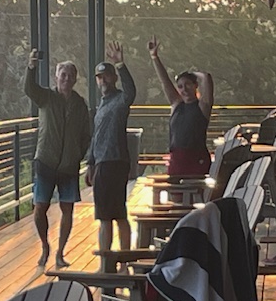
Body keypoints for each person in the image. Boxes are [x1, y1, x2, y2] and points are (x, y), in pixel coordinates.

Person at [25, 48, 91, 267]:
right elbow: (29, 88)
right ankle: (45, 245)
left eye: (71, 76)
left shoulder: (80, 104)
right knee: (40, 208)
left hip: (69, 166)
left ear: (75, 79)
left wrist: (78, 154)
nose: (67, 79)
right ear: (56, 77)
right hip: (46, 160)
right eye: (63, 75)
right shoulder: (46, 97)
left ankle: (60, 252)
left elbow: (86, 134)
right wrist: (32, 66)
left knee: (68, 209)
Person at [86, 41, 137, 256]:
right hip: (101, 163)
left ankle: (122, 258)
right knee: (104, 216)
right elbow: (96, 136)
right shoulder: (102, 106)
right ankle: (106, 260)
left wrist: (120, 65)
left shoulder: (120, 100)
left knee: (115, 214)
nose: (103, 80)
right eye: (99, 77)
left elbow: (131, 91)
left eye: (106, 76)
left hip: (115, 162)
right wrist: (90, 163)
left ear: (113, 78)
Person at [149, 35, 213, 176]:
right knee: (174, 189)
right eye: (180, 86)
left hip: (197, 160)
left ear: (195, 85)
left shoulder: (202, 106)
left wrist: (194, 73)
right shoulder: (177, 105)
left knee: (195, 190)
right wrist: (154, 57)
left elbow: (207, 78)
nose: (184, 89)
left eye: (188, 85)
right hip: (177, 160)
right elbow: (165, 82)